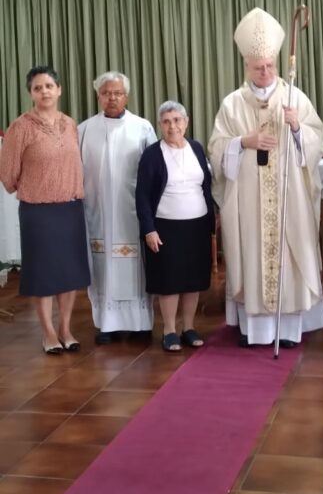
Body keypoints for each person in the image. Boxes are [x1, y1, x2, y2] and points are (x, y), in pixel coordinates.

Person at [208, 6, 323, 348]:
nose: (265, 72)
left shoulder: (294, 98)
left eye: (270, 66)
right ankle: (255, 330)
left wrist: (296, 127)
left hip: (288, 197)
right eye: (258, 67)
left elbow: (317, 139)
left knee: (289, 255)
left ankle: (288, 329)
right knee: (253, 254)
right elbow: (217, 148)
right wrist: (243, 142)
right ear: (246, 65)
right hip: (248, 200)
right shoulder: (232, 105)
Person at [0, 65, 90, 354]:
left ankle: (65, 327)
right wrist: (34, 187)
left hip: (71, 208)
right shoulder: (21, 127)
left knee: (69, 272)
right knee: (43, 273)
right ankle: (48, 332)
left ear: (59, 89)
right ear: (31, 93)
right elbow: (8, 172)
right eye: (38, 88)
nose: (44, 92)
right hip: (37, 212)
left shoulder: (70, 124)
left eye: (49, 86)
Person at [78, 72, 157, 344]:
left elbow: (154, 169)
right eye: (106, 93)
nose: (112, 98)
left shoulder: (142, 127)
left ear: (127, 96)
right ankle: (106, 324)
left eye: (117, 93)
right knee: (102, 266)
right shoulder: (85, 129)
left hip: (132, 210)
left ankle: (140, 323)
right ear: (98, 96)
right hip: (97, 210)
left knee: (136, 266)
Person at [135, 101, 214, 351]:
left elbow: (206, 185)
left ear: (186, 121)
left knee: (193, 280)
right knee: (169, 280)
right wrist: (149, 229)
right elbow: (142, 196)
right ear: (160, 125)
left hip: (197, 225)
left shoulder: (197, 148)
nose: (172, 126)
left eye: (177, 120)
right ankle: (169, 330)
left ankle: (188, 327)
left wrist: (213, 218)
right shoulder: (151, 154)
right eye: (167, 121)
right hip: (165, 227)